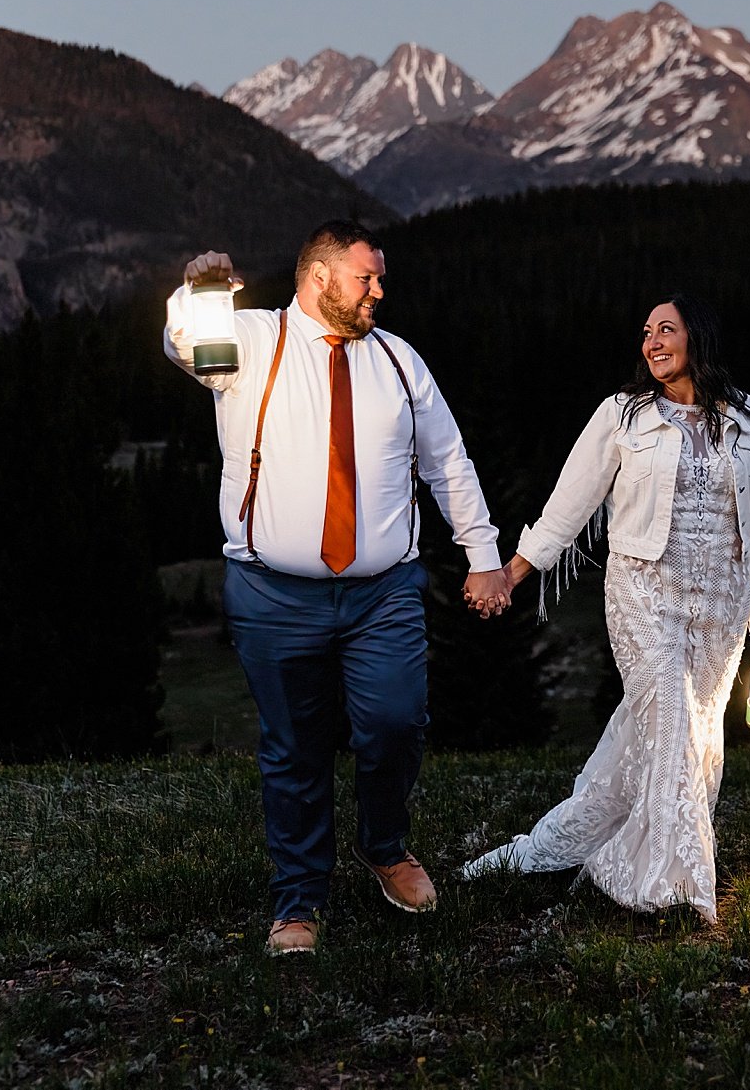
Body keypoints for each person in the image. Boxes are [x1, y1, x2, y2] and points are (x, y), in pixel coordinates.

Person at [164, 219, 512, 956]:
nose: (379, 290)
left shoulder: (398, 361)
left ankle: (383, 845)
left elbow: (447, 460)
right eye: (367, 278)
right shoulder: (252, 341)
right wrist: (198, 294)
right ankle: (298, 902)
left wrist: (483, 553)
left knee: (396, 720)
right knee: (294, 748)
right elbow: (184, 346)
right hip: (272, 594)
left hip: (382, 592)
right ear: (320, 278)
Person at [461, 294, 750, 923]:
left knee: (695, 729)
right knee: (668, 709)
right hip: (643, 588)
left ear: (700, 338)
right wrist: (511, 572)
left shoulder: (747, 419)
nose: (652, 342)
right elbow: (570, 503)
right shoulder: (623, 416)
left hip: (720, 598)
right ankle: (670, 888)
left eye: (667, 330)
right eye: (646, 333)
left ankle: (574, 846)